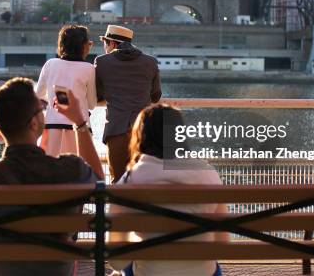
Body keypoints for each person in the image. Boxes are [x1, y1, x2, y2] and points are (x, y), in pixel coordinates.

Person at [0, 78, 103, 276]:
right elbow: (100, 183)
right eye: (42, 109)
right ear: (33, 124)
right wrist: (80, 122)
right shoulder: (70, 170)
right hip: (55, 271)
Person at [108, 104, 228, 276]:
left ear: (141, 137)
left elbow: (116, 262)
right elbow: (221, 247)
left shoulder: (129, 181)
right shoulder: (208, 175)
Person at [95, 25, 161, 182]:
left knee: (118, 182)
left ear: (112, 43)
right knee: (143, 182)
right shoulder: (150, 62)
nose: (104, 46)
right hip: (143, 132)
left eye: (105, 42)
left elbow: (97, 95)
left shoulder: (102, 62)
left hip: (116, 130)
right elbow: (156, 96)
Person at [36, 24, 96, 156]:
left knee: (51, 171)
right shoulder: (89, 68)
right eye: (89, 43)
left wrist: (54, 98)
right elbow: (91, 104)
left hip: (53, 127)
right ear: (83, 46)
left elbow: (38, 95)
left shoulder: (50, 64)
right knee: (79, 171)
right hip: (79, 128)